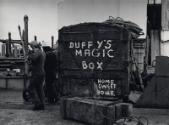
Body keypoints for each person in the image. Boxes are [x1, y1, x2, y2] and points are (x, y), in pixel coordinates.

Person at [28, 41, 46, 110]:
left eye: (31, 46)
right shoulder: (42, 52)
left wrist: (29, 55)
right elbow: (36, 62)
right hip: (41, 73)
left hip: (37, 73)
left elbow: (33, 58)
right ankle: (42, 104)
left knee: (30, 89)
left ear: (33, 46)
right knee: (39, 89)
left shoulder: (38, 52)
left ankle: (37, 104)